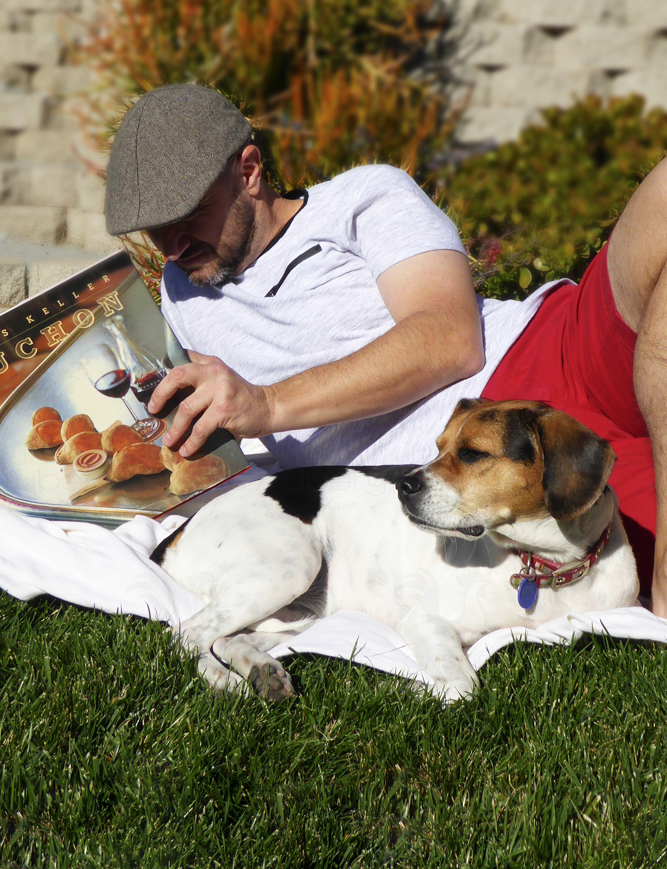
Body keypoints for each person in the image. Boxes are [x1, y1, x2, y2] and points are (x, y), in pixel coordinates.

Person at [105, 84, 666, 613]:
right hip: (486, 473)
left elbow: (451, 338)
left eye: (187, 216)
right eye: (155, 229)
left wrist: (268, 405)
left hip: (549, 353)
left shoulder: (361, 197)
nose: (172, 246)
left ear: (249, 172)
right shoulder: (182, 293)